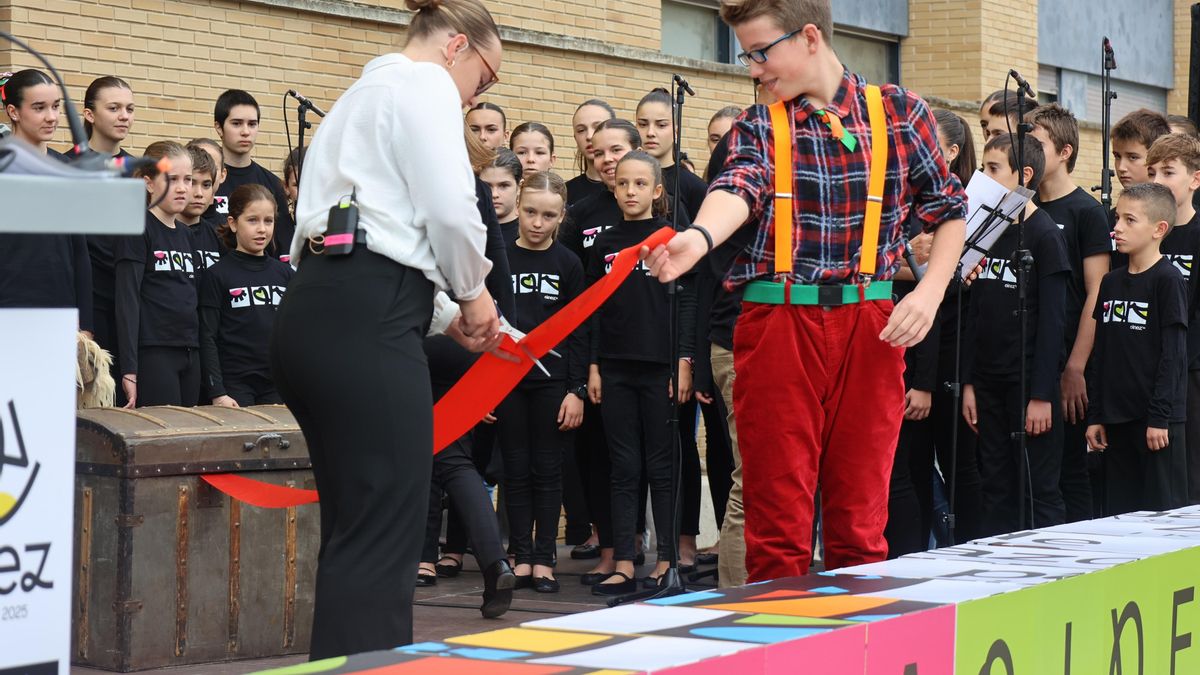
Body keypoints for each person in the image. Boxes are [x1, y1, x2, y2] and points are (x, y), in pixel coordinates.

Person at [644, 0, 968, 580]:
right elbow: (738, 185)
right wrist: (697, 236)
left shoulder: (899, 112)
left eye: (760, 53)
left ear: (810, 36)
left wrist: (929, 293)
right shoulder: (758, 125)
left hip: (872, 325)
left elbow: (948, 210)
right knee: (776, 525)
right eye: (746, 56)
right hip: (777, 328)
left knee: (862, 523)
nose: (752, 69)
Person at [270, 0, 509, 656]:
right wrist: (474, 294)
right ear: (456, 46)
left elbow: (362, 227)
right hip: (367, 322)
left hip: (315, 310)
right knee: (385, 536)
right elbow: (448, 207)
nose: (475, 99)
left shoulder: (359, 93)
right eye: (483, 80)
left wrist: (442, 313)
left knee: (355, 531)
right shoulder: (426, 81)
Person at [588, 151, 695, 595]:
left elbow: (687, 302)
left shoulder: (672, 239)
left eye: (639, 184)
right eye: (622, 184)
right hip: (614, 368)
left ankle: (667, 558)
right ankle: (626, 562)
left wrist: (684, 361)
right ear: (614, 189)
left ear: (655, 191)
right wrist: (593, 366)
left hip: (660, 369)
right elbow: (592, 310)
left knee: (662, 466)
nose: (629, 192)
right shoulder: (605, 244)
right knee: (623, 466)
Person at [885, 108, 983, 555]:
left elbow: (935, 300)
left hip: (937, 359)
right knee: (908, 469)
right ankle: (913, 557)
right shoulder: (904, 198)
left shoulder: (949, 207)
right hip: (903, 352)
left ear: (951, 152)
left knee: (940, 469)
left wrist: (923, 383)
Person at [963, 134, 1070, 535]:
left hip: (1027, 385)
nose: (983, 177)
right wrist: (971, 382)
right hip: (988, 382)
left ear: (1022, 175)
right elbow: (974, 310)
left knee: (1037, 490)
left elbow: (1054, 323)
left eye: (992, 170)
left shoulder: (1044, 235)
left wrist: (1042, 395)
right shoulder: (986, 230)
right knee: (995, 485)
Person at [496, 171, 586, 593]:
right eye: (530, 212)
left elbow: (579, 330)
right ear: (517, 208)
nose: (537, 223)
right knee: (514, 469)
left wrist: (575, 389)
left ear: (561, 216)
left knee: (548, 470)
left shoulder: (568, 263)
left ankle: (545, 555)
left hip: (552, 382)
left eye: (548, 215)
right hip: (505, 378)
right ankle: (519, 553)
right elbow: (483, 323)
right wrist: (482, 387)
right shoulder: (497, 259)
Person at [1026, 103, 1111, 523]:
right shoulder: (1021, 207)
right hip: (1029, 356)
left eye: (1037, 144)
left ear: (1064, 151)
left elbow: (1097, 291)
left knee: (1068, 471)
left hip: (1069, 359)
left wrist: (1075, 366)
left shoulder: (1086, 212)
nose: (1029, 152)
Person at [1087, 183, 1189, 513]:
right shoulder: (1111, 281)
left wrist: (1160, 418)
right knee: (1119, 514)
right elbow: (1101, 352)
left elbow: (1172, 356)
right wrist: (1096, 415)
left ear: (1159, 229)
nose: (1116, 227)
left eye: (1129, 220)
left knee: (1160, 518)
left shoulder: (1168, 280)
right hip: (1116, 422)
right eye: (1117, 218)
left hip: (1155, 424)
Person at [0, 70, 93, 338]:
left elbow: (79, 251)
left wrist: (85, 321)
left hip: (60, 312)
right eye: (39, 108)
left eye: (55, 107)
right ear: (13, 112)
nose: (51, 117)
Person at [115, 141, 200, 408]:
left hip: (189, 351)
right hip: (154, 352)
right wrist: (129, 368)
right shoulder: (137, 228)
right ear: (149, 183)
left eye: (188, 179)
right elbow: (127, 298)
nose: (183, 187)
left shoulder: (188, 235)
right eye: (172, 179)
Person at [199, 184, 293, 407]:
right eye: (252, 220)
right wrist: (217, 391)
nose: (262, 229)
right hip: (235, 386)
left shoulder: (285, 274)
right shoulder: (217, 275)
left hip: (276, 385)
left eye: (268, 221)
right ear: (233, 223)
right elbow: (207, 336)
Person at [1144, 133, 1200, 504]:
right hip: (1147, 372)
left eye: (1169, 172)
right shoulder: (1146, 236)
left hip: (1190, 373)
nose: (1158, 182)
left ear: (1195, 179)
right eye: (1152, 173)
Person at [80, 76, 134, 402]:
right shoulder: (68, 166)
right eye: (113, 108)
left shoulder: (138, 171)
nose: (123, 115)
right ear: (89, 115)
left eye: (129, 109)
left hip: (128, 302)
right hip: (88, 302)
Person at [212, 89, 296, 254]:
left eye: (252, 124)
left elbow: (282, 246)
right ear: (219, 127)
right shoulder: (207, 182)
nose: (246, 131)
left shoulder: (272, 184)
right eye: (236, 123)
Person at [635, 87, 707, 220]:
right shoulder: (626, 180)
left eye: (661, 125)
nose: (650, 133)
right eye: (643, 124)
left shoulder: (694, 187)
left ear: (676, 131)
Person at [566, 99, 617, 206]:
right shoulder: (565, 193)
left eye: (598, 127)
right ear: (575, 138)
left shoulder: (635, 188)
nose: (589, 136)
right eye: (581, 130)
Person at [182, 145, 223, 270]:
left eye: (206, 185)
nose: (199, 193)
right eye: (191, 183)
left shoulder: (221, 238)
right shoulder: (156, 234)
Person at [480, 147, 522, 243]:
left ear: (519, 187)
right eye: (487, 186)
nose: (494, 194)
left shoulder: (533, 233)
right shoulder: (468, 230)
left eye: (504, 186)